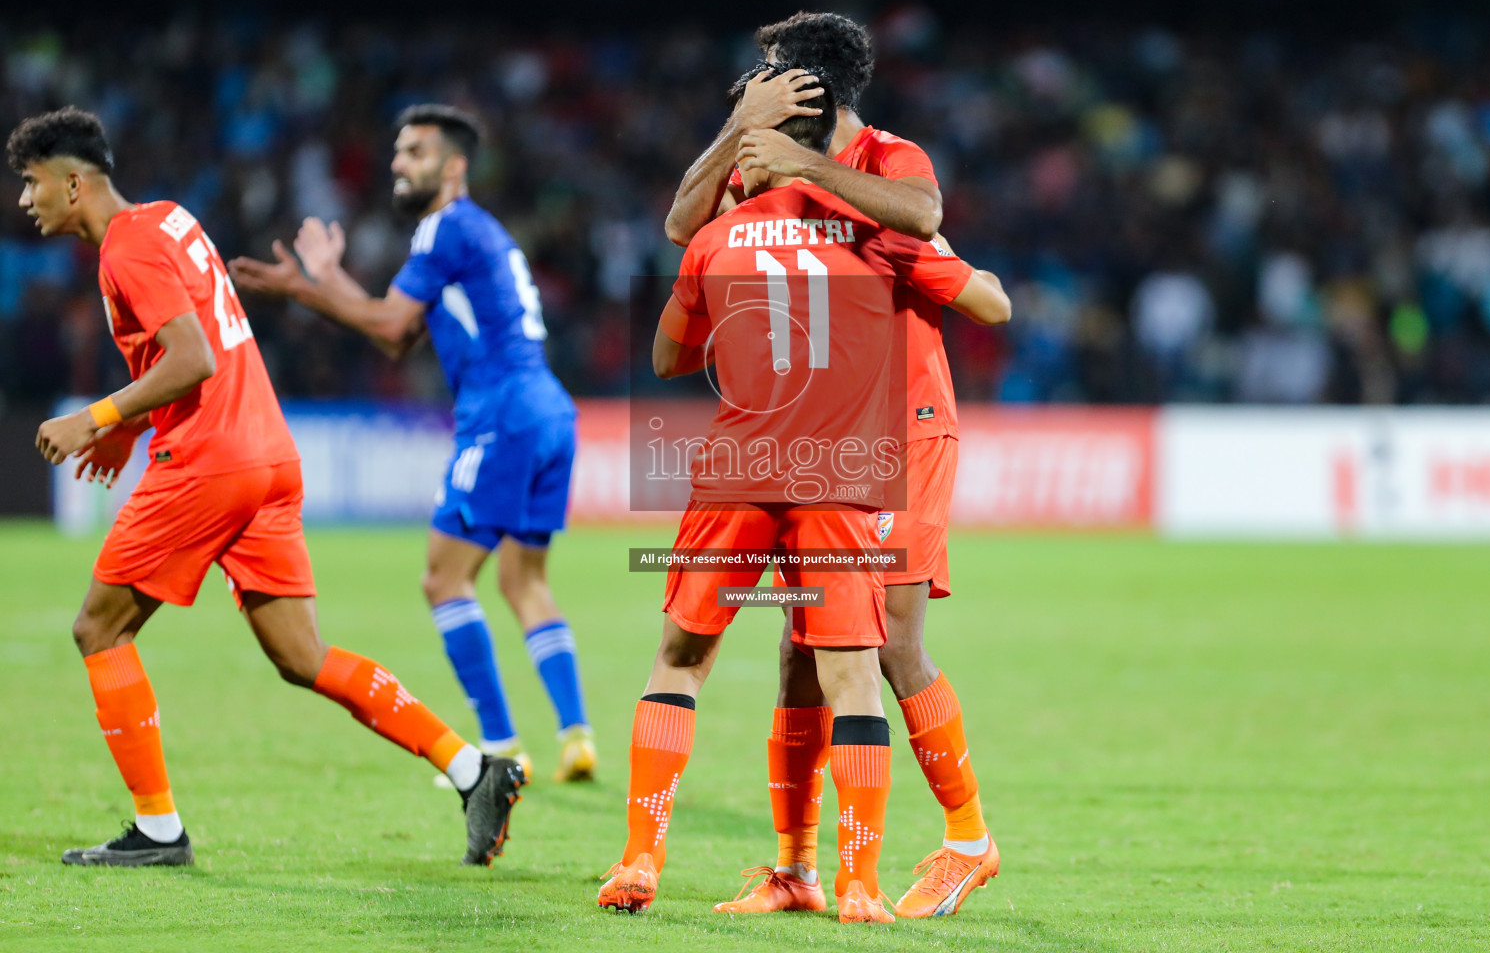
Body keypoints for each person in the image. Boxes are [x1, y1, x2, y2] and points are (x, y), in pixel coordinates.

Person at [11, 106, 523, 868]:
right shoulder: (167, 220)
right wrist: (128, 427)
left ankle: (157, 831)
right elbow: (199, 345)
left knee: (99, 629)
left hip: (209, 462)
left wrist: (98, 416)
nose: (25, 200)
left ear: (74, 182)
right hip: (267, 454)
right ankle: (472, 768)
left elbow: (192, 359)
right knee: (301, 656)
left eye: (32, 183)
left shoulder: (125, 249)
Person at [599, 69, 1011, 923]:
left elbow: (985, 294)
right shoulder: (761, 191)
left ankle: (968, 840)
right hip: (819, 455)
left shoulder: (885, 172)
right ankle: (799, 870)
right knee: (804, 652)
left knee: (887, 646)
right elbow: (688, 226)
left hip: (903, 431)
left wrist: (827, 195)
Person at [230, 105, 596, 784]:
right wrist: (329, 278)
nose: (399, 163)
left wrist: (303, 292)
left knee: (443, 579)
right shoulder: (478, 233)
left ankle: (501, 745)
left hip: (502, 415)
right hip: (550, 411)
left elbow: (391, 320)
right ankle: (576, 733)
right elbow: (396, 336)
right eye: (397, 152)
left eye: (416, 152)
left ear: (454, 167)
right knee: (524, 581)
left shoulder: (444, 227)